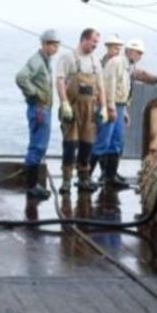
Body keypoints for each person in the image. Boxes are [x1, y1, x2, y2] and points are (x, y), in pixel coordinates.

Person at [56, 28, 108, 194]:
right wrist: (64, 103)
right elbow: (60, 81)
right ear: (84, 39)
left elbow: (100, 87)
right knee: (70, 145)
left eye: (97, 43)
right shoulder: (68, 58)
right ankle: (66, 180)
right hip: (72, 109)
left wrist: (104, 107)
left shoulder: (95, 62)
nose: (95, 45)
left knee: (87, 145)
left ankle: (84, 178)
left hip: (90, 110)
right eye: (94, 42)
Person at [15, 29, 60, 200]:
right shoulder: (37, 61)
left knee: (40, 145)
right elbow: (20, 77)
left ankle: (32, 184)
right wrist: (34, 94)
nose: (56, 49)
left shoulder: (45, 61)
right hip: (39, 108)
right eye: (53, 45)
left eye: (57, 46)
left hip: (43, 108)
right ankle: (31, 186)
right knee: (38, 146)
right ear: (45, 44)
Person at [90, 34, 129, 188]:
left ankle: (110, 176)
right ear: (107, 47)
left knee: (115, 142)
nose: (117, 49)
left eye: (119, 47)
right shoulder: (109, 63)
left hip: (119, 105)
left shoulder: (120, 63)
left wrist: (123, 109)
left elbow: (123, 86)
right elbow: (109, 87)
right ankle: (85, 176)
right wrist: (110, 107)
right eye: (114, 46)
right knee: (102, 142)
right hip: (107, 105)